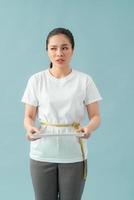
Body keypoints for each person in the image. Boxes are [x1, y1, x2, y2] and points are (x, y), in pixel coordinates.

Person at [21, 27, 102, 200]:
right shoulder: (36, 80)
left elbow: (95, 116)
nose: (59, 53)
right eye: (54, 48)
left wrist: (88, 128)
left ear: (72, 50)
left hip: (73, 153)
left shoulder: (84, 81)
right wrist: (30, 129)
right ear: (47, 50)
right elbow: (29, 116)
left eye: (65, 47)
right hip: (42, 153)